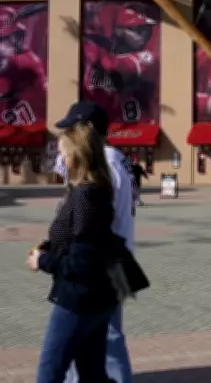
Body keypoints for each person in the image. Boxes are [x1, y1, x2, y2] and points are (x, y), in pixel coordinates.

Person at [31, 124, 120, 382]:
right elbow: (82, 238)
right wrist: (49, 246)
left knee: (49, 374)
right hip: (96, 297)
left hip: (78, 299)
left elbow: (82, 261)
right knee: (92, 374)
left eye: (63, 153)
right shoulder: (94, 192)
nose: (60, 160)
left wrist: (43, 260)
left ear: (77, 157)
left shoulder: (86, 196)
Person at [55, 101, 135, 383]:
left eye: (71, 129)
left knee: (106, 336)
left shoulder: (107, 162)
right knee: (95, 335)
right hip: (109, 256)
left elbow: (96, 218)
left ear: (87, 130)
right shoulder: (116, 158)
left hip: (102, 261)